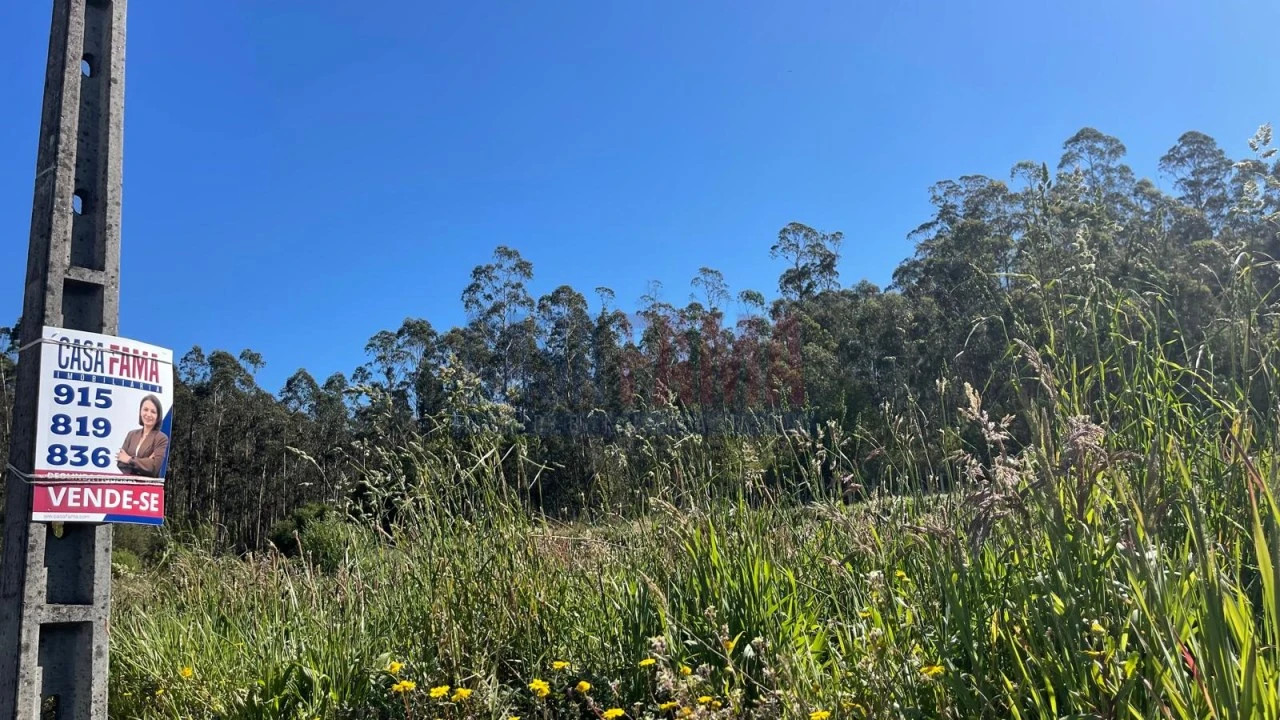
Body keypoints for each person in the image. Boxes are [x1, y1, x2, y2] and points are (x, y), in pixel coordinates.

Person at [116, 394, 169, 478]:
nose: (148, 414)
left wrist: (129, 460)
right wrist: (145, 462)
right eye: (145, 409)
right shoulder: (131, 434)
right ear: (140, 412)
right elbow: (120, 463)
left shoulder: (161, 438)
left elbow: (154, 467)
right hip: (128, 485)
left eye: (153, 411)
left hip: (147, 488)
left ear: (158, 416)